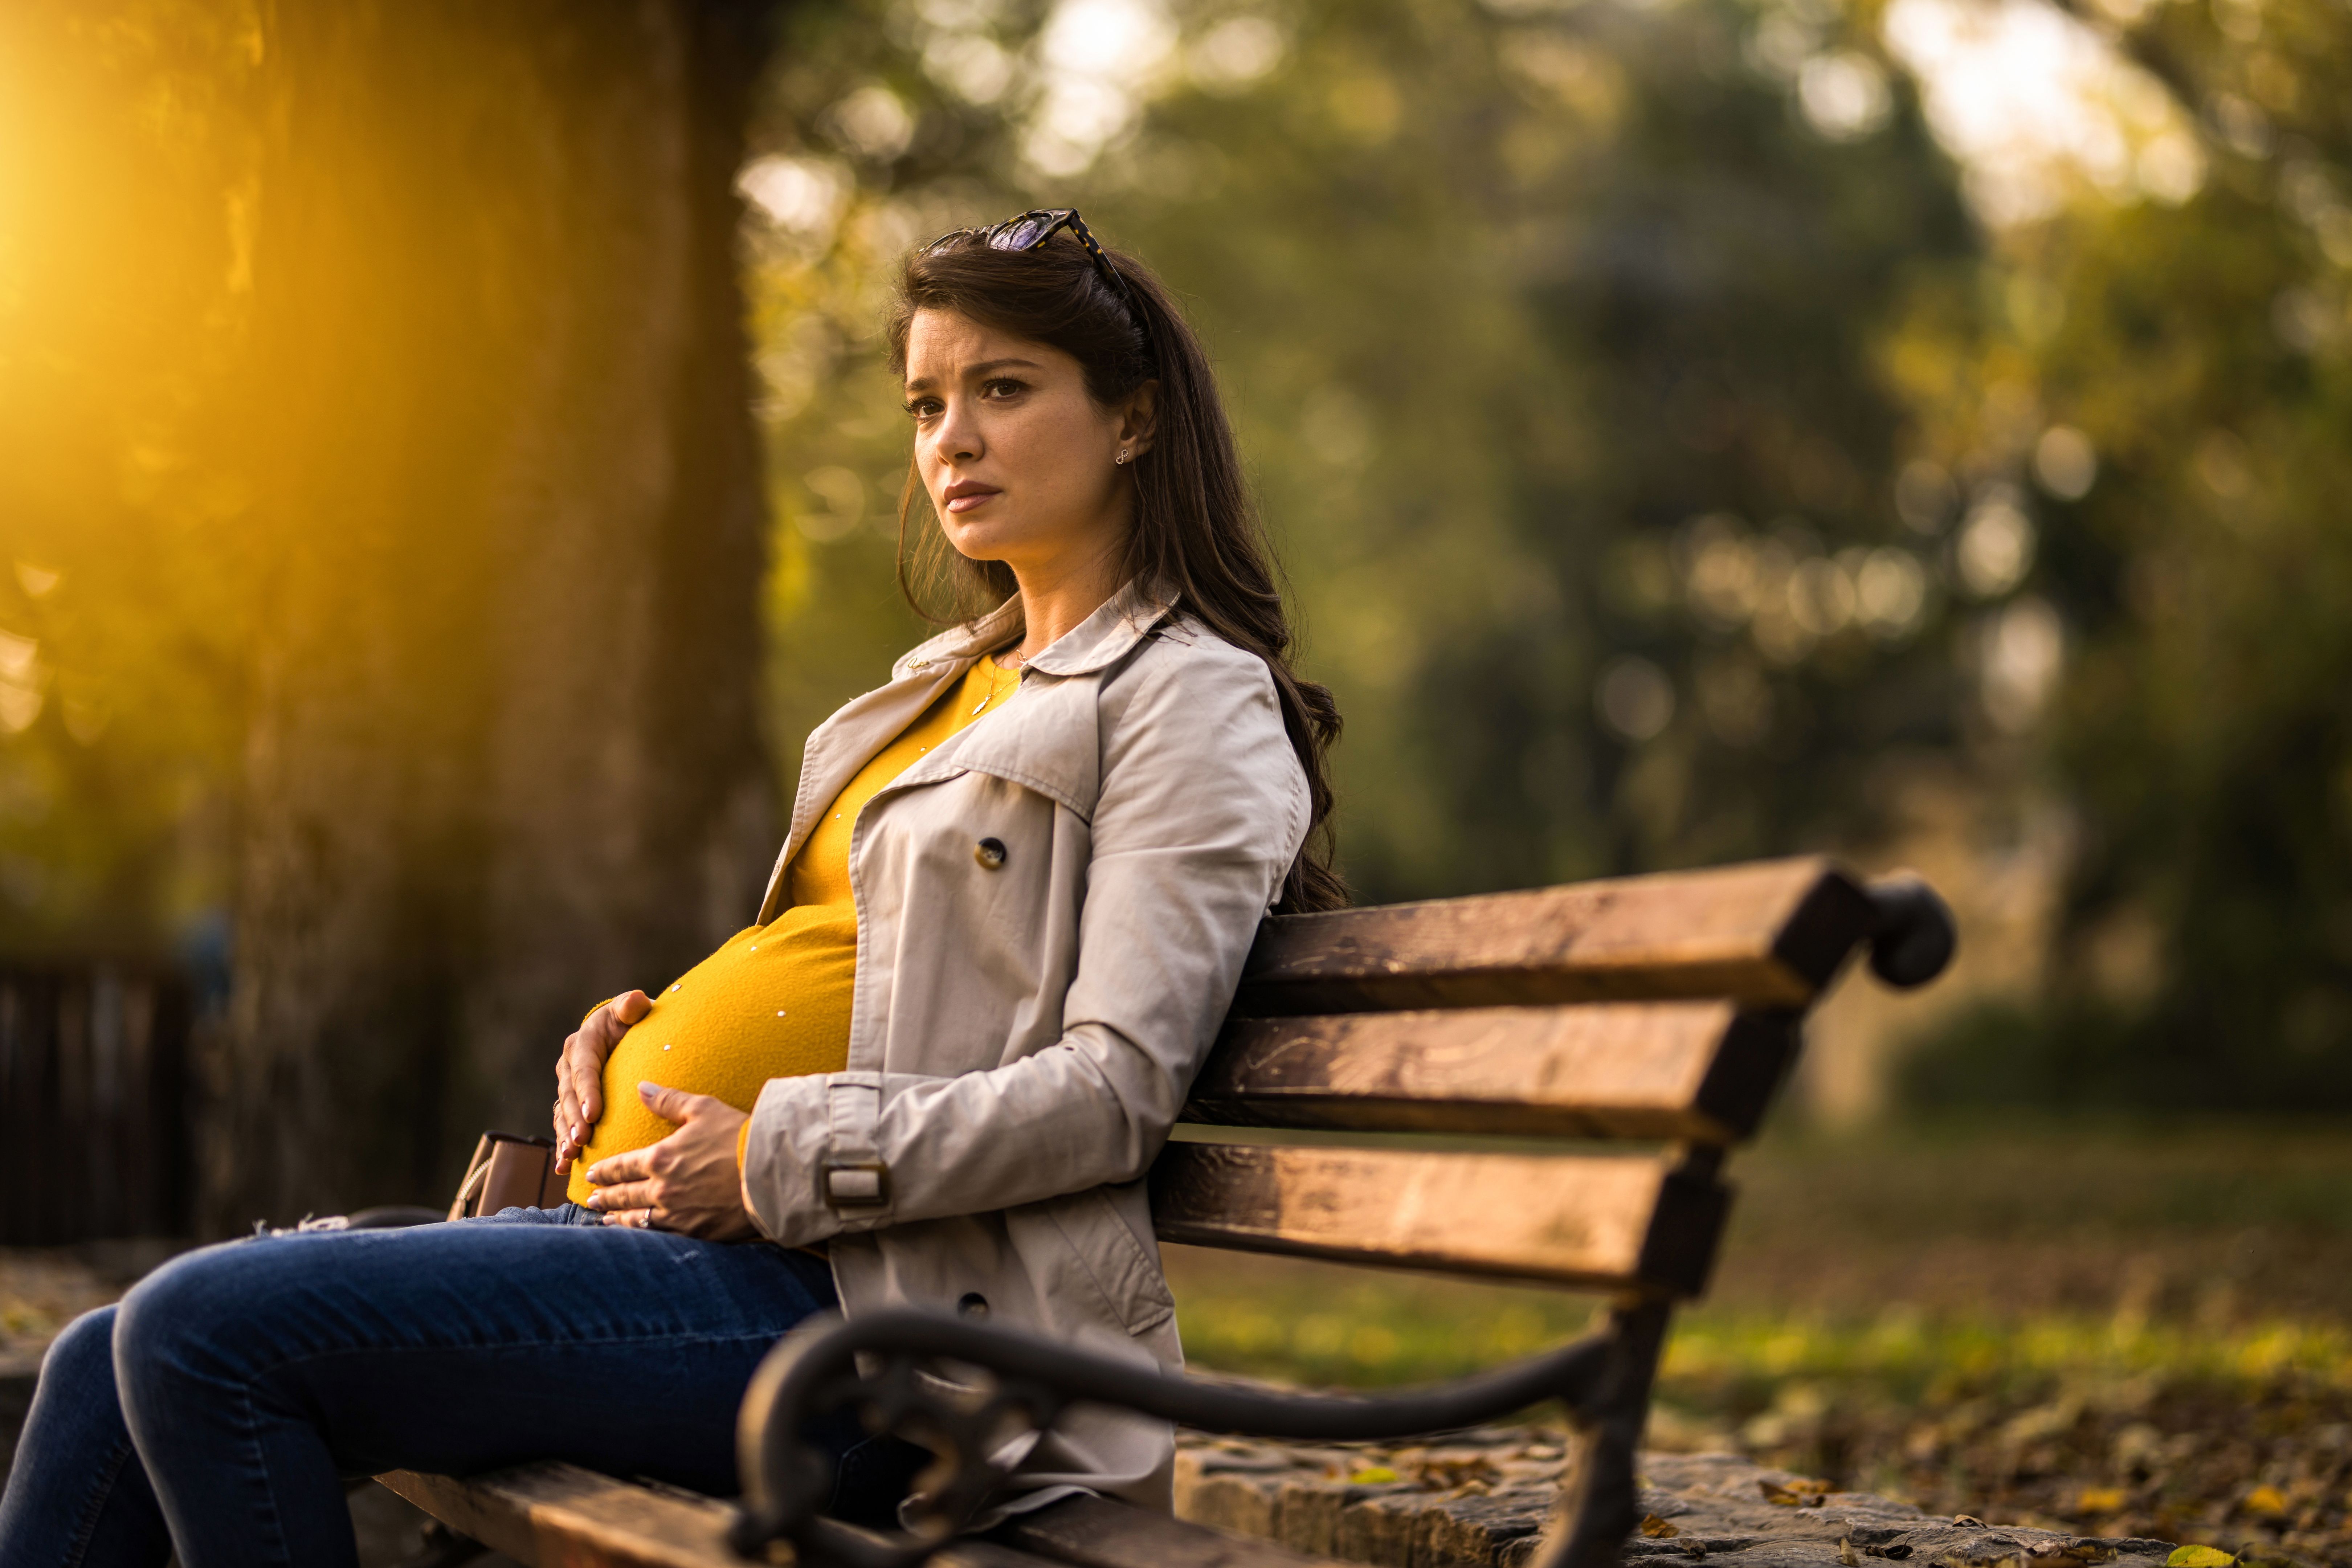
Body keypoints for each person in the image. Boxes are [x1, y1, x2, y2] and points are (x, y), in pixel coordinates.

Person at [0, 209, 1343, 1568]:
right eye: (929, 402)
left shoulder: (1190, 699)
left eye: (1005, 389)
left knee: (202, 1335)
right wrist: (640, 1036)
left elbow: (1112, 1096)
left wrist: (770, 1157)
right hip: (686, 1249)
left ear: (1133, 421)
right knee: (97, 1358)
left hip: (887, 1326)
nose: (952, 439)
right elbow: (864, 971)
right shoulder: (948, 676)